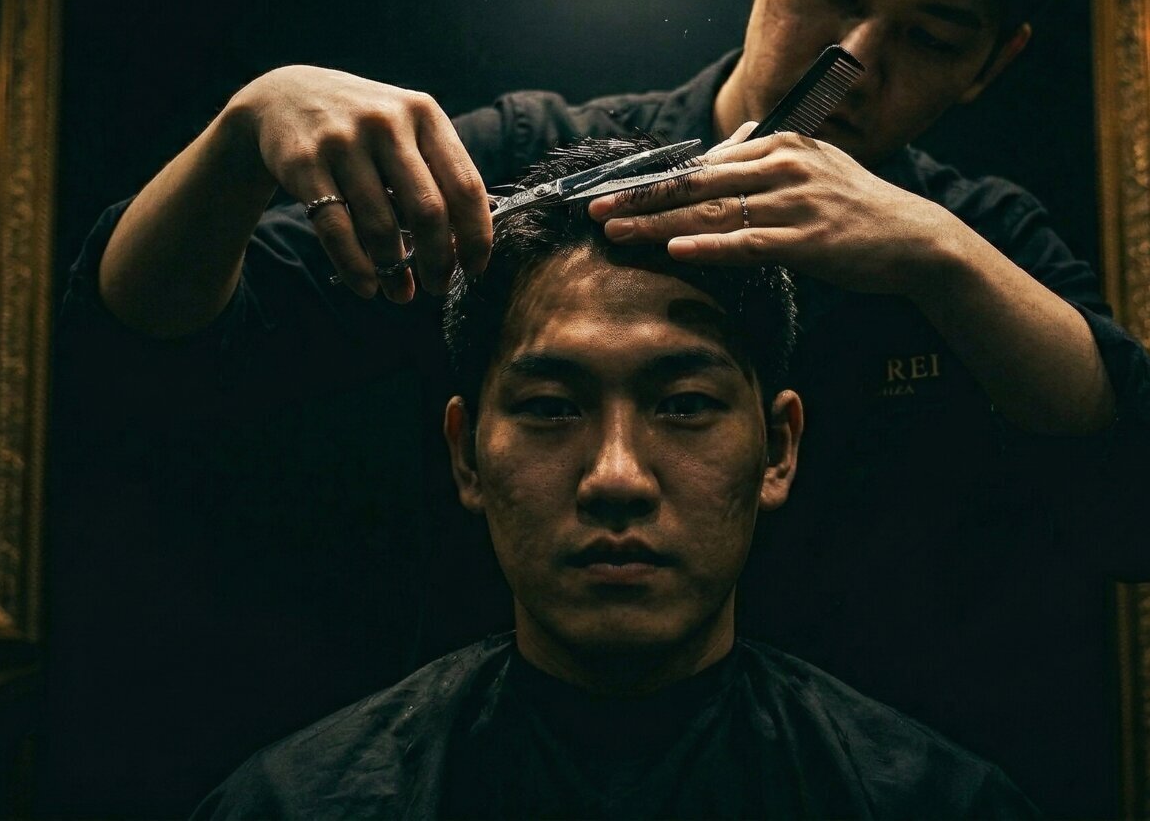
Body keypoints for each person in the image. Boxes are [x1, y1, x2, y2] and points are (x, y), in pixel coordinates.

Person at [64, 0, 1150, 810]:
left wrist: (935, 257)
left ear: (996, 62)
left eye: (932, 39)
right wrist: (243, 131)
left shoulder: (974, 245)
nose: (857, 64)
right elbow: (139, 332)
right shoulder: (536, 172)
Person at [192, 136, 1036, 819]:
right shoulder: (291, 804)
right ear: (466, 453)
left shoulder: (940, 803)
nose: (617, 475)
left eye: (685, 404)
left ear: (778, 447)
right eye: (554, 407)